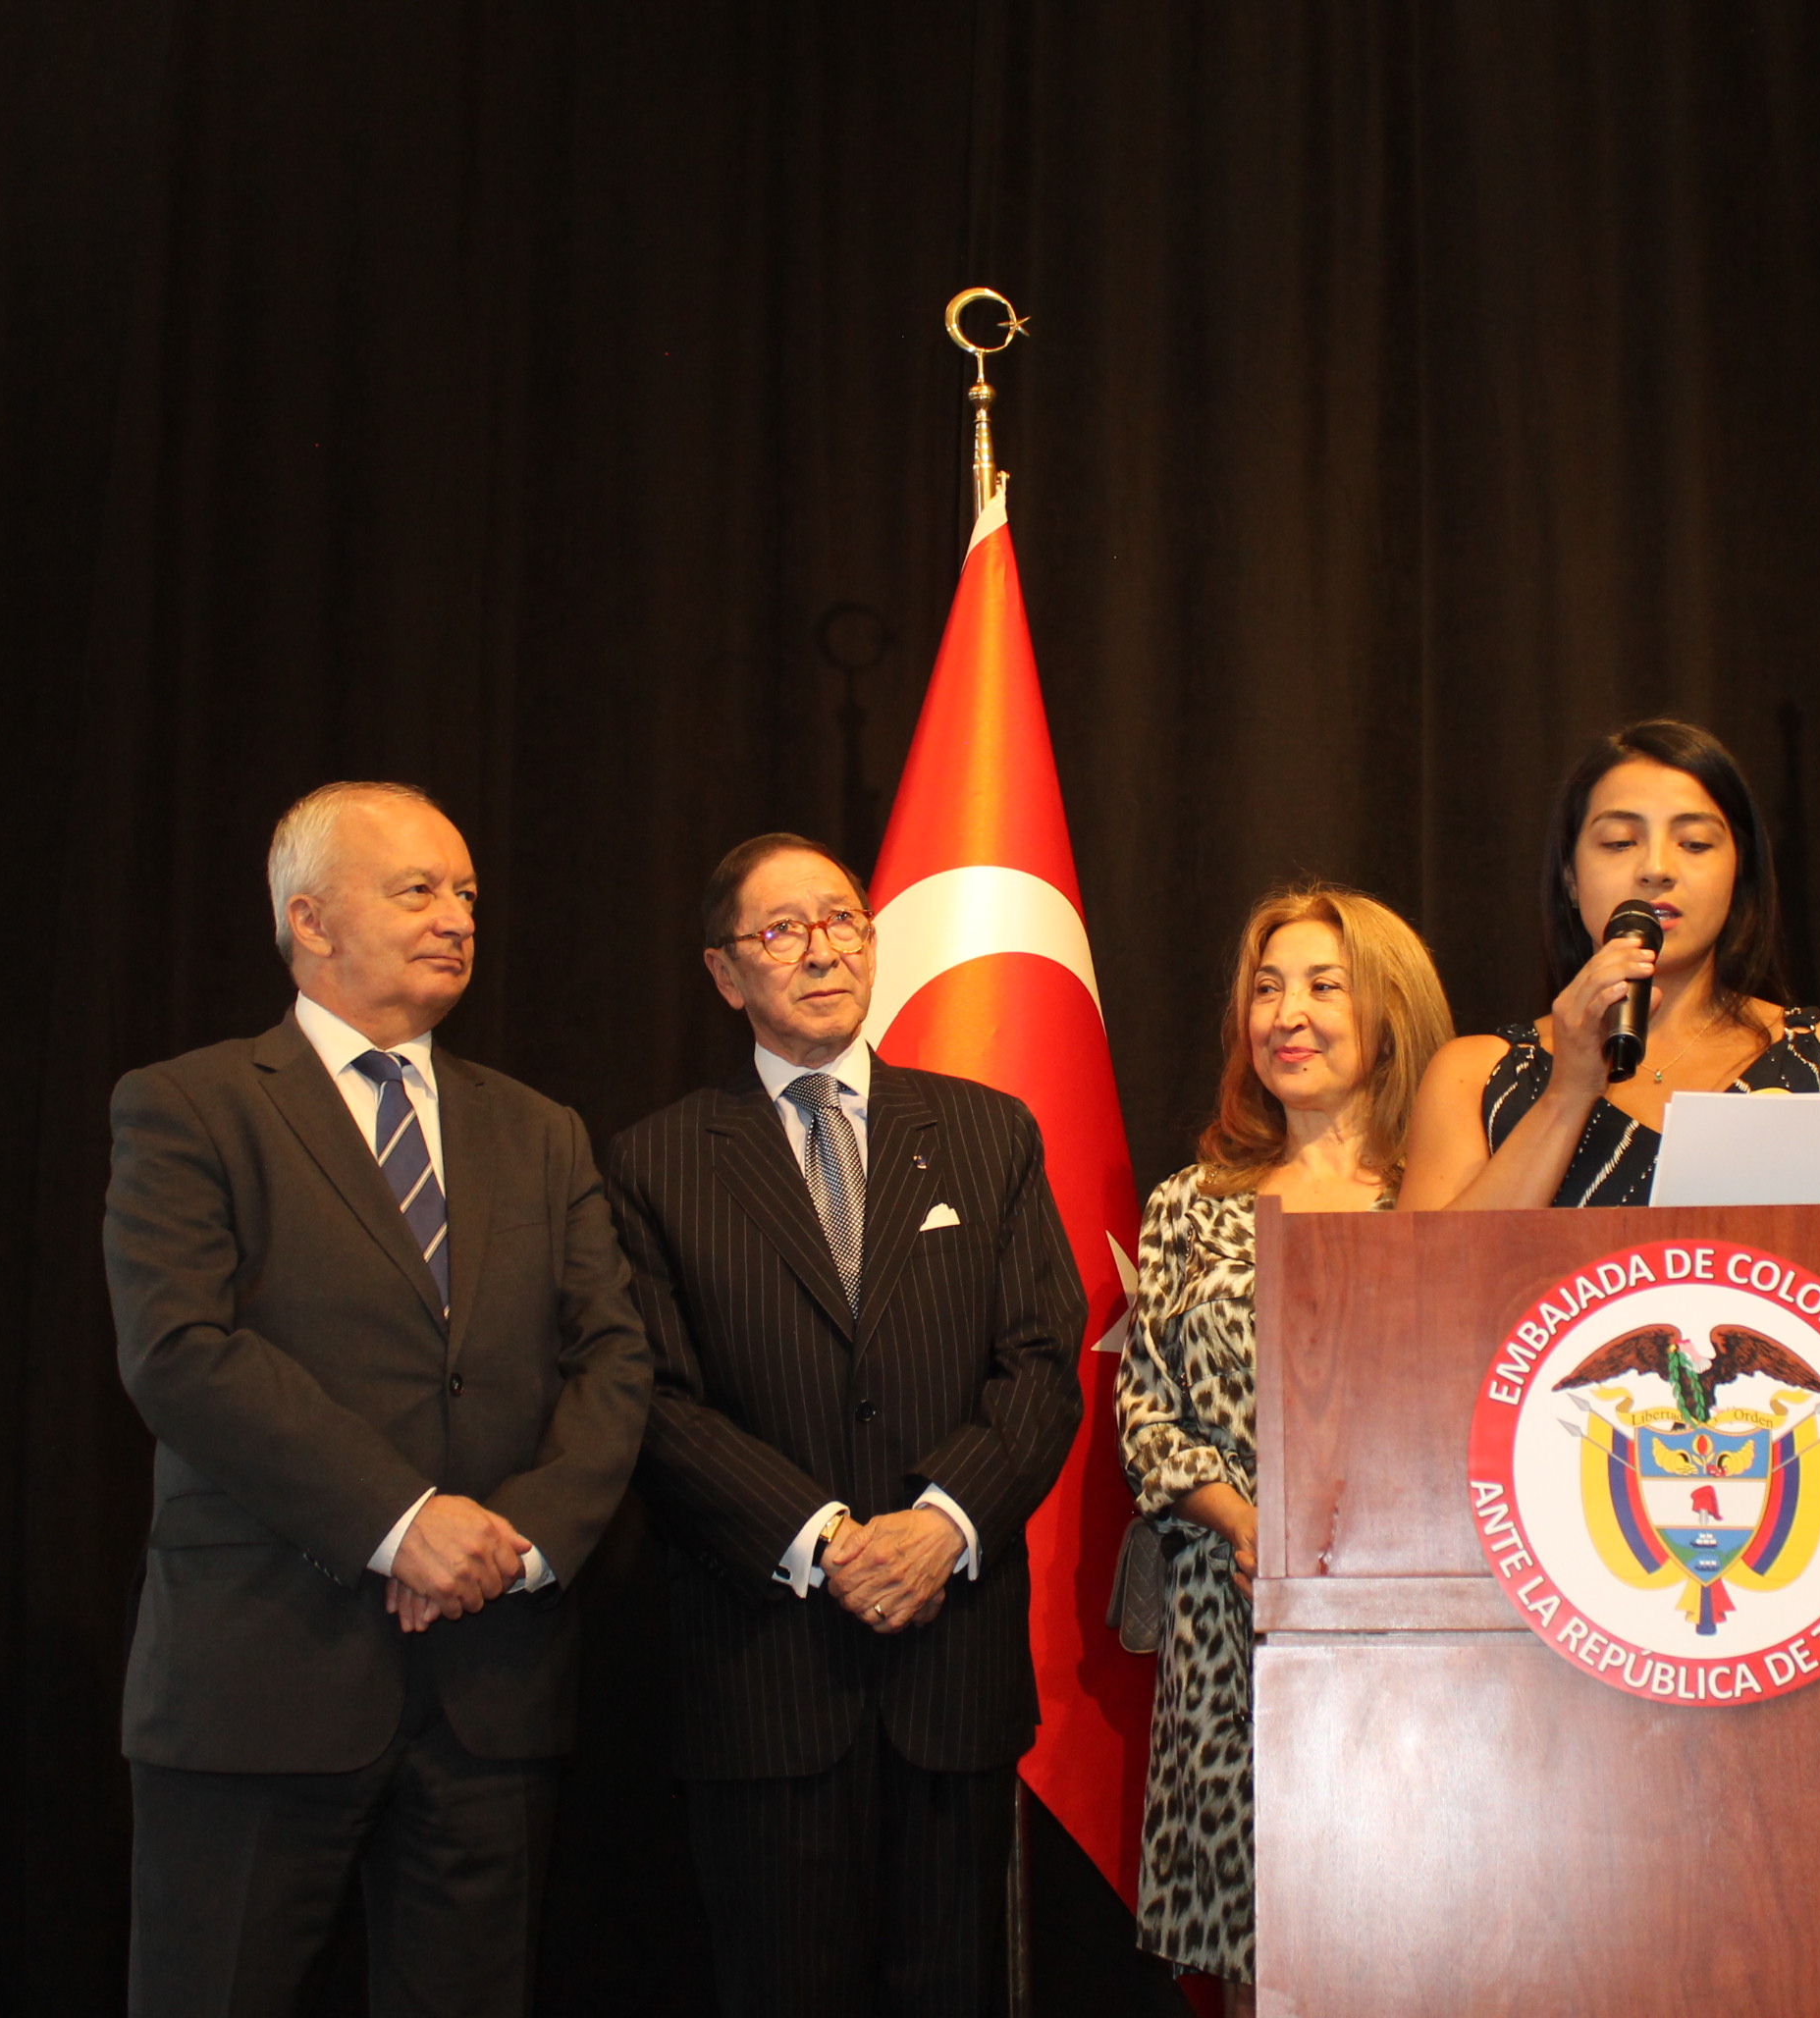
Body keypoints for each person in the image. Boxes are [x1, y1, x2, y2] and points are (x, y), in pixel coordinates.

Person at [104, 780, 653, 2018]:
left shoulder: (540, 1129)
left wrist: (514, 1541)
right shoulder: (190, 1105)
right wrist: (405, 1522)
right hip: (261, 1675)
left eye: (465, 893)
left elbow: (613, 1360)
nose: (457, 917)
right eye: (417, 890)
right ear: (310, 920)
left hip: (490, 1687)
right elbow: (181, 1352)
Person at [603, 833, 1088, 2018]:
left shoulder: (988, 1130)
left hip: (948, 1665)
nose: (822, 948)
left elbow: (1039, 1363)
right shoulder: (654, 1159)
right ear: (725, 973)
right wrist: (822, 1537)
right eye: (783, 931)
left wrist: (938, 1522)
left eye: (842, 920)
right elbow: (654, 1399)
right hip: (764, 1674)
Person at [1117, 884, 1454, 2009]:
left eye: (1321, 984)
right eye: (1265, 989)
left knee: (1420, 1937)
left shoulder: (1447, 1196)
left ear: (1391, 1014)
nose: (1286, 1014)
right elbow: (1146, 1416)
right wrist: (1253, 1529)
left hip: (1418, 1630)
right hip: (1233, 1621)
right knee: (1266, 1964)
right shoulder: (1190, 1203)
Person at [1403, 719, 1820, 1212]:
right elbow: (1429, 1279)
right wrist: (1569, 1092)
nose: (1657, 868)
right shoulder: (1478, 1076)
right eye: (1620, 842)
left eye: (1695, 844)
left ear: (1739, 871)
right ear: (1570, 877)